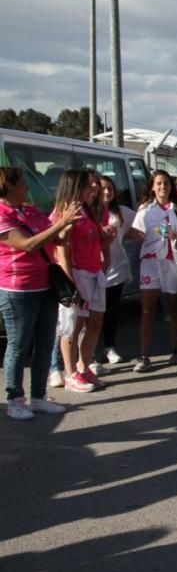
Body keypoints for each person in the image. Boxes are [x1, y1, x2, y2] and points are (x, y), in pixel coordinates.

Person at [0, 166, 78, 419]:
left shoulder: (31, 211)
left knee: (44, 343)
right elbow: (28, 245)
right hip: (18, 289)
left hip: (45, 285)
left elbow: (53, 238)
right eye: (23, 182)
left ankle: (38, 396)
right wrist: (61, 223)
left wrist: (66, 227)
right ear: (8, 186)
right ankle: (14, 400)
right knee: (19, 344)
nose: (28, 187)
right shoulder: (2, 213)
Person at [51, 170, 108, 392]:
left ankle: (84, 368)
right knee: (73, 326)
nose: (92, 189)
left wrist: (105, 236)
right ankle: (70, 373)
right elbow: (61, 250)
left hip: (95, 272)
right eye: (88, 185)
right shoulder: (65, 212)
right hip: (78, 274)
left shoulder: (86, 210)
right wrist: (71, 284)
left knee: (95, 322)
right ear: (76, 187)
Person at [131, 170, 177, 372]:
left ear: (171, 187)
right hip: (151, 263)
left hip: (172, 262)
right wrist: (132, 233)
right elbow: (137, 234)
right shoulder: (145, 211)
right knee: (148, 310)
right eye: (159, 183)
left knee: (173, 307)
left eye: (166, 183)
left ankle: (176, 348)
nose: (163, 187)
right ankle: (144, 356)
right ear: (152, 187)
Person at [98, 175, 135, 366]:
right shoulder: (90, 211)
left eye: (110, 189)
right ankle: (87, 354)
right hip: (93, 269)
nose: (106, 192)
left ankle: (109, 347)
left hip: (116, 268)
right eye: (103, 188)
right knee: (92, 314)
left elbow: (137, 228)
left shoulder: (123, 212)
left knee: (111, 311)